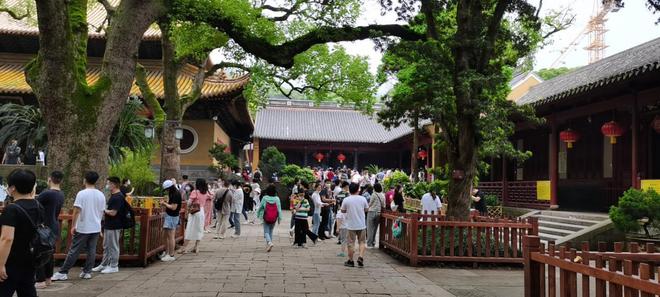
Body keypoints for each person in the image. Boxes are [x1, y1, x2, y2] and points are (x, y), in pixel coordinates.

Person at [52, 171, 105, 281]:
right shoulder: (101, 195)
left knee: (74, 250)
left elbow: (76, 211)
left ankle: (63, 271)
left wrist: (74, 225)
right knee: (92, 250)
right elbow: (101, 212)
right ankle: (87, 271)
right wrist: (99, 226)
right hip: (95, 226)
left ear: (85, 180)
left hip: (83, 226)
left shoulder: (82, 194)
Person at [0, 169, 40, 296]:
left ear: (12, 188)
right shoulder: (39, 206)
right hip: (31, 259)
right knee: (27, 292)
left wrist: (0, 265)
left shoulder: (12, 209)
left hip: (11, 262)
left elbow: (7, 239)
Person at [34, 171, 64, 289]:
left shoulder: (47, 193)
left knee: (39, 253)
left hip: (44, 227)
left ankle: (40, 280)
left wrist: (34, 189)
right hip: (54, 226)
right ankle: (48, 278)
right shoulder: (61, 193)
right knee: (49, 253)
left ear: (49, 179)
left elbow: (34, 203)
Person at [92, 177, 124, 274]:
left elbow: (114, 213)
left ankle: (114, 265)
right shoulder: (113, 195)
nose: (107, 185)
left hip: (114, 225)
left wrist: (103, 210)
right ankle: (104, 264)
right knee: (106, 245)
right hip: (108, 224)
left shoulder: (118, 196)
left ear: (114, 184)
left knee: (113, 246)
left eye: (109, 183)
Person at [179, 179, 211, 254]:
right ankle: (196, 247)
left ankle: (184, 248)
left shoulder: (195, 192)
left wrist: (188, 205)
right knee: (199, 229)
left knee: (190, 228)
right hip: (201, 211)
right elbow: (211, 197)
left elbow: (189, 203)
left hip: (195, 212)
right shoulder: (205, 192)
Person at [341, 183, 369, 268]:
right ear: (358, 189)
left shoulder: (346, 199)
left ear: (349, 190)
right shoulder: (363, 199)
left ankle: (351, 260)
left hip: (351, 225)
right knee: (362, 242)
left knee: (351, 243)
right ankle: (360, 257)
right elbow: (367, 209)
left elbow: (342, 210)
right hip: (361, 224)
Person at [159, 180, 181, 261]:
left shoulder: (175, 194)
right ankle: (167, 252)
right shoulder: (173, 193)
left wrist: (164, 204)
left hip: (172, 216)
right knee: (166, 235)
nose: (166, 191)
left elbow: (173, 207)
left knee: (171, 236)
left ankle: (171, 255)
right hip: (170, 215)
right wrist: (166, 202)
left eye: (167, 189)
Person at [256, 184, 281, 252]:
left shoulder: (265, 198)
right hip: (274, 218)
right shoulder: (277, 199)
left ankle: (269, 243)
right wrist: (279, 218)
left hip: (266, 217)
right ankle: (269, 244)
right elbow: (279, 209)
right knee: (271, 231)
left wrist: (258, 214)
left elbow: (260, 207)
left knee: (266, 231)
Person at [366, 183, 385, 248]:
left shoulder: (373, 194)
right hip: (378, 213)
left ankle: (369, 243)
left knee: (370, 228)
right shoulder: (382, 195)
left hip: (371, 212)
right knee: (375, 228)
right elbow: (383, 205)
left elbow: (370, 204)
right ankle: (373, 242)